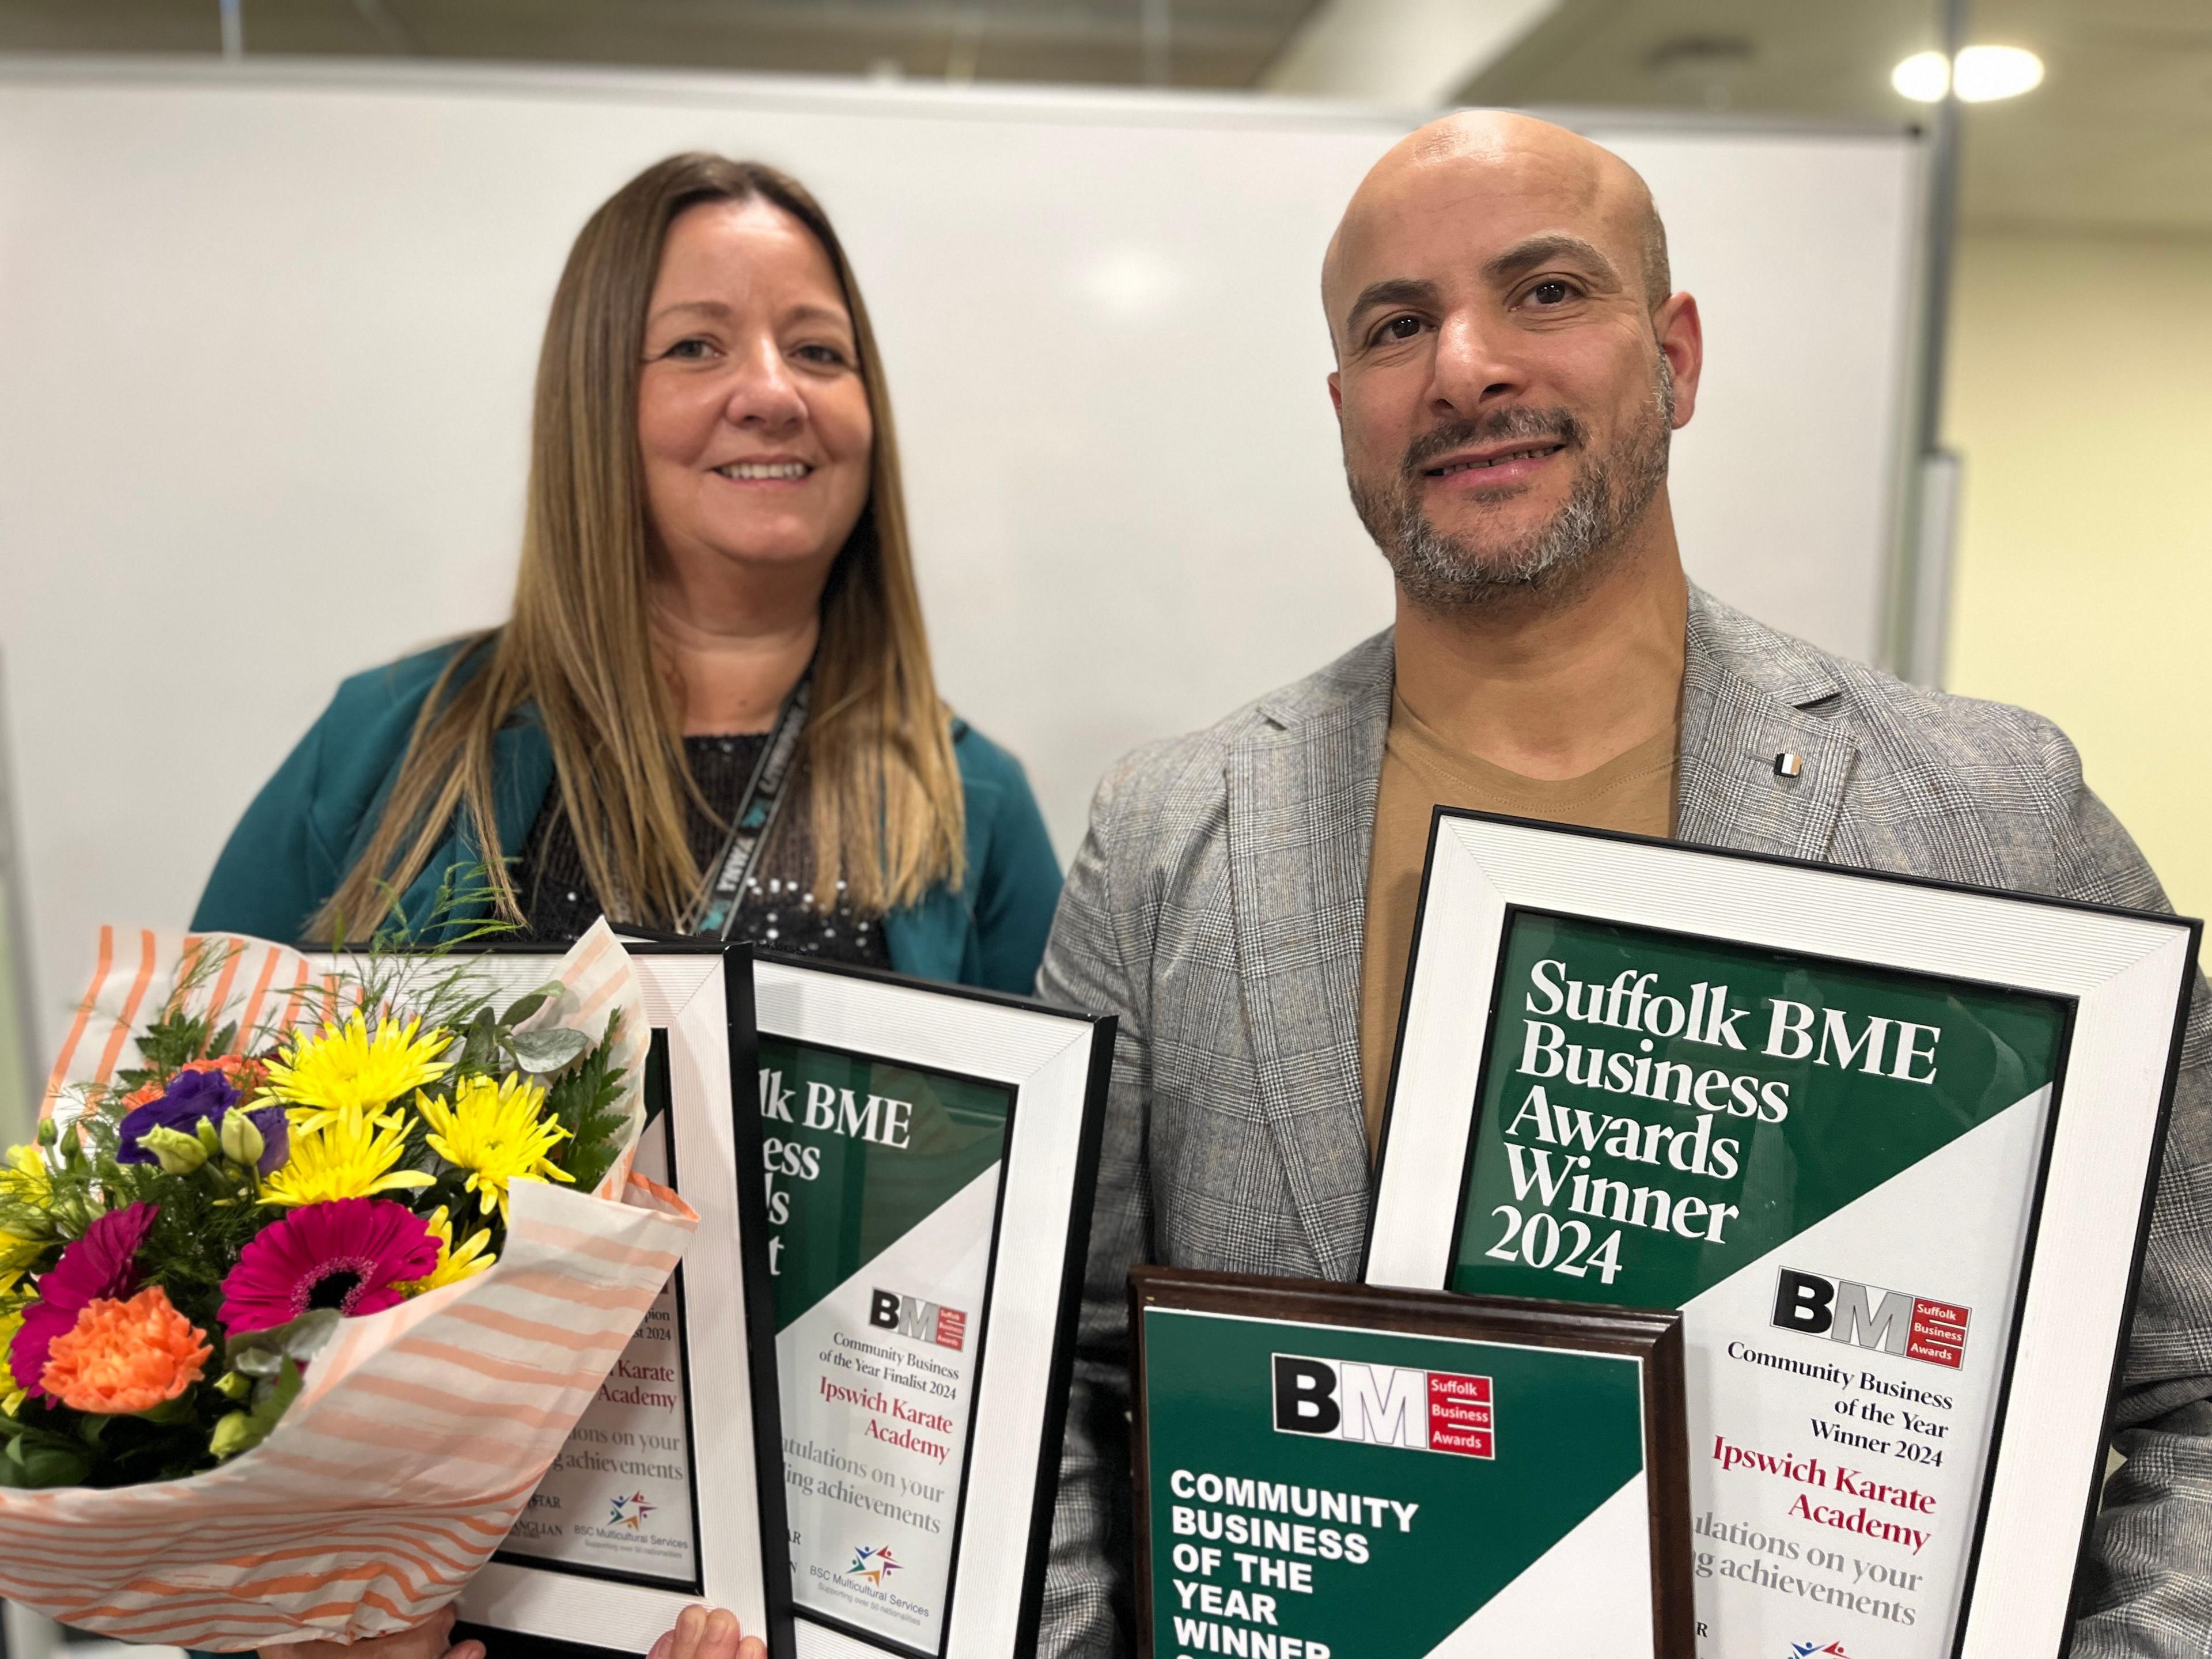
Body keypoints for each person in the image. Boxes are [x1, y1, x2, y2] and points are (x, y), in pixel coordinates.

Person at [1036, 111, 2212, 1656]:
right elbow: (1051, 1377)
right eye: (1399, 327)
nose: (1465, 369)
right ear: (1345, 409)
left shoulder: (2000, 820)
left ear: (1677, 357)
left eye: (1546, 293)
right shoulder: (1165, 837)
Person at [193, 153, 1060, 991]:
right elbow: (174, 1110)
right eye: (695, 346)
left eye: (819, 353)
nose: (773, 393)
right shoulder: (384, 740)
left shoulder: (974, 800)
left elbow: (1050, 1137)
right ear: (594, 402)